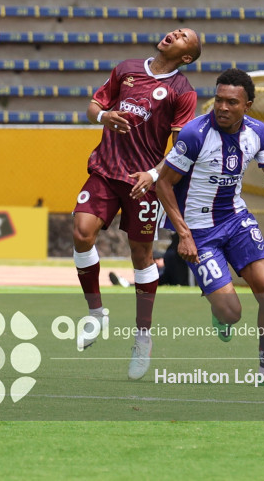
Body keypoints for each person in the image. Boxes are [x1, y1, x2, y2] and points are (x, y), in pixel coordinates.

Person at [72, 28, 201, 380]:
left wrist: (155, 174)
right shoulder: (126, 68)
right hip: (104, 170)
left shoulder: (182, 92)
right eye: (176, 30)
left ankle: (143, 337)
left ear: (186, 56)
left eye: (184, 37)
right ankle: (96, 313)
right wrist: (103, 117)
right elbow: (93, 107)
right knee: (82, 234)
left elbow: (181, 148)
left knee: (142, 257)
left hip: (141, 182)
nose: (175, 33)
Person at [156, 68, 264, 384]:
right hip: (200, 232)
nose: (223, 107)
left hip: (236, 220)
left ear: (248, 105)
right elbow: (163, 184)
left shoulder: (259, 133)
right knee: (232, 313)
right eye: (219, 100)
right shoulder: (194, 134)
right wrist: (183, 235)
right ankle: (222, 313)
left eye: (232, 102)